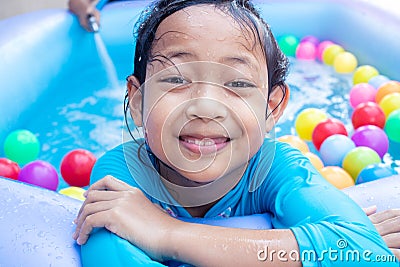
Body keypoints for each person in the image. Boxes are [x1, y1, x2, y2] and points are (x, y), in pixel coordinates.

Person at [73, 0, 399, 265]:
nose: (206, 107)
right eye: (176, 79)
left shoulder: (274, 166)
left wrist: (167, 234)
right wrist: (312, 249)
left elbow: (364, 252)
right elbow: (353, 250)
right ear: (137, 100)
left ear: (272, 108)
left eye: (237, 84)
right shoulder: (121, 177)